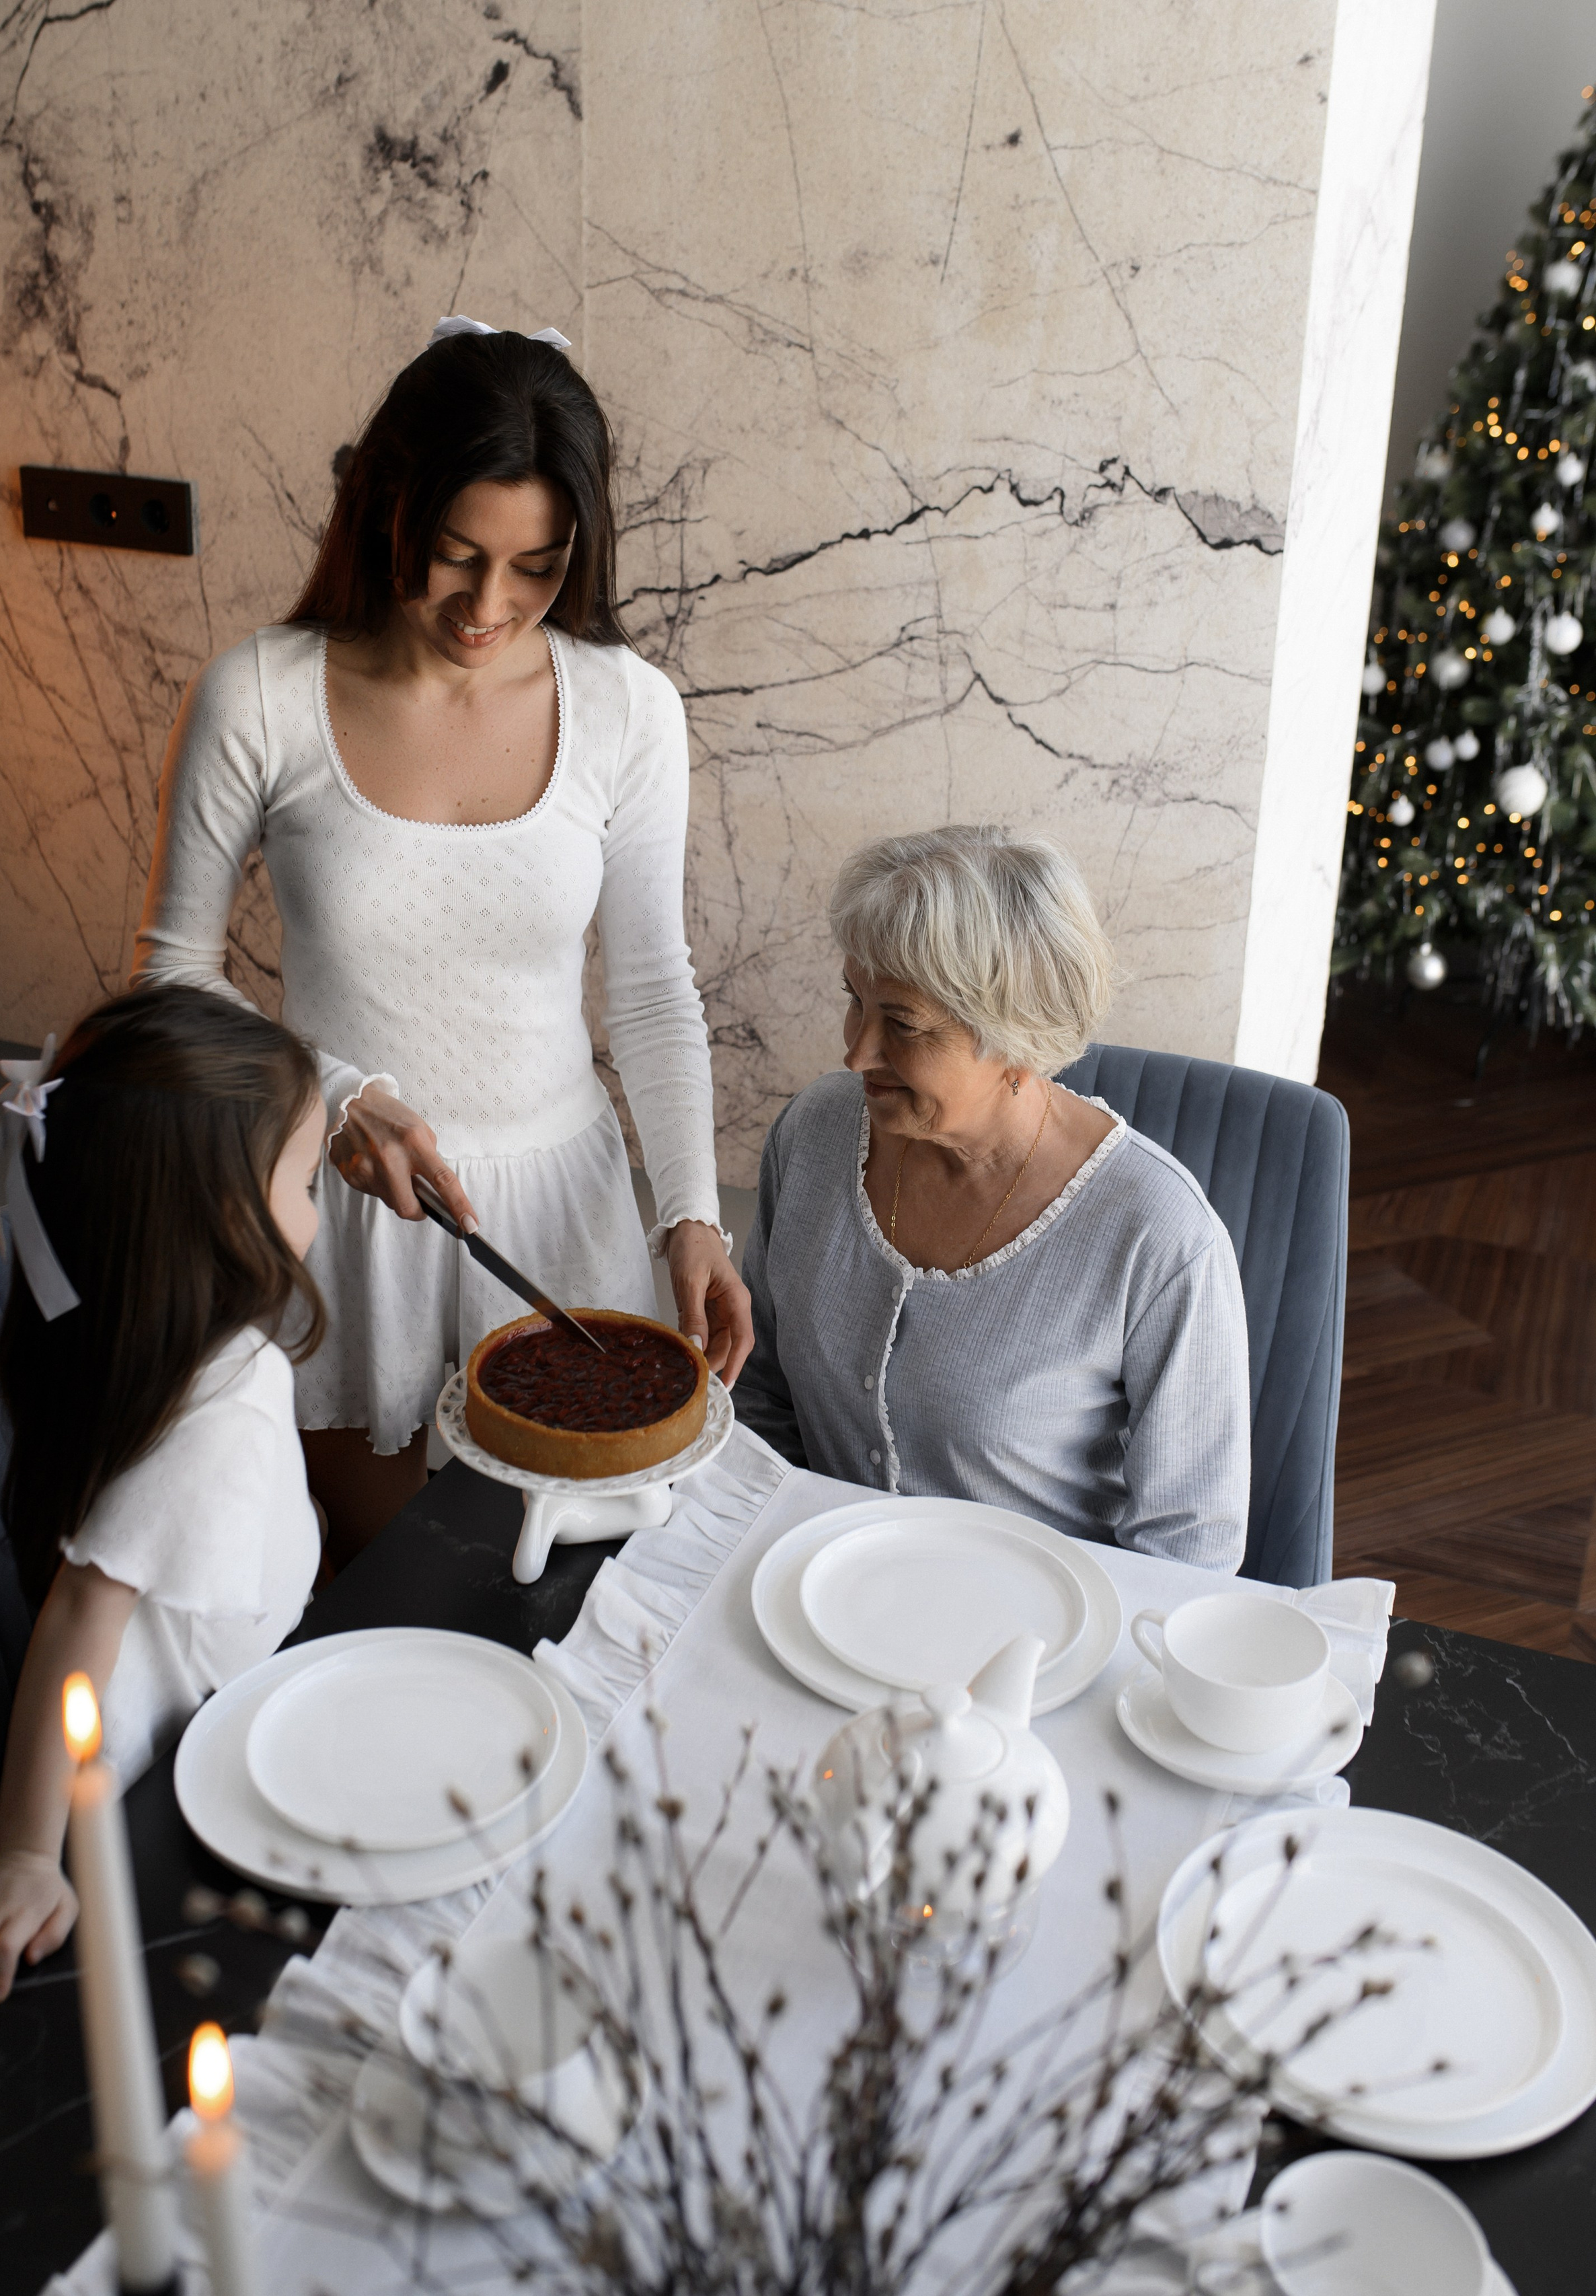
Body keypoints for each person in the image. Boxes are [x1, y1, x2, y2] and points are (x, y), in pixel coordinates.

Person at [134, 318, 751, 1560]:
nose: (488, 606)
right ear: (387, 508)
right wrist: (336, 1097)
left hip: (567, 1226)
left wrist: (692, 1214)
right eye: (458, 556)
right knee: (394, 1603)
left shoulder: (627, 707)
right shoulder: (260, 693)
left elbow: (651, 990)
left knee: (578, 1613)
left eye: (536, 567)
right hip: (347, 1226)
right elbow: (167, 978)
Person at [0, 985, 328, 2003]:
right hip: (163, 1790)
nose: (319, 1214)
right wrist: (26, 1851)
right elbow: (78, 1611)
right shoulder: (219, 1406)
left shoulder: (139, 1340)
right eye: (310, 1181)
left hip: (231, 1712)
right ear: (231, 1215)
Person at [733, 825, 1249, 1568]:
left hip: (1035, 1649)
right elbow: (761, 1394)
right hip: (814, 1592)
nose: (855, 1052)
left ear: (1016, 1036)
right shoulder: (813, 1134)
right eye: (855, 1001)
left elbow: (1187, 1548)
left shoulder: (1159, 1236)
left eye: (902, 1024)